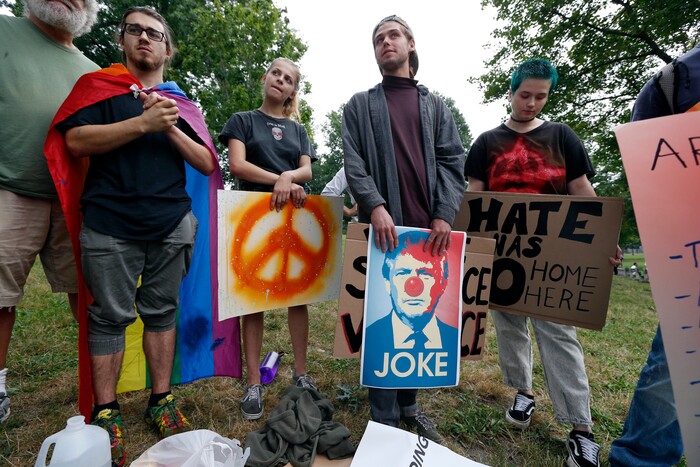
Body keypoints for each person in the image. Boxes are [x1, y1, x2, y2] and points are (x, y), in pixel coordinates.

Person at [48, 6, 219, 466]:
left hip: (171, 223)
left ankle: (160, 400)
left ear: (167, 48)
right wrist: (141, 123)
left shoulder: (178, 102)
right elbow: (76, 142)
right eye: (135, 30)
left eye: (154, 33)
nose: (144, 38)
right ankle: (106, 413)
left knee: (163, 312)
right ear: (122, 40)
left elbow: (206, 162)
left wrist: (165, 126)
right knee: (108, 317)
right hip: (109, 223)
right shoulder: (98, 88)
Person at [465, 58, 622, 467]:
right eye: (524, 95)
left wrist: (607, 239)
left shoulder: (562, 137)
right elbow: (474, 198)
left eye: (541, 96)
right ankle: (523, 392)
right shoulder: (485, 142)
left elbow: (582, 191)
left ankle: (580, 428)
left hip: (553, 256)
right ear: (512, 91)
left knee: (559, 335)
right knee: (510, 326)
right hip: (502, 255)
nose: (532, 103)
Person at [342, 15, 465, 443]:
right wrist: (373, 205)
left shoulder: (435, 106)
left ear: (411, 44)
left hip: (427, 233)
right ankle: (383, 418)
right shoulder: (359, 105)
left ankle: (410, 406)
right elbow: (353, 160)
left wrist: (444, 214)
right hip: (382, 233)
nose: (385, 43)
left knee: (420, 316)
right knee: (383, 317)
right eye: (378, 39)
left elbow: (453, 162)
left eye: (393, 35)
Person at [0, 0, 99, 424]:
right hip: (9, 188)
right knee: (0, 294)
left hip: (74, 200)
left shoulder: (94, 72)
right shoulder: (5, 32)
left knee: (88, 293)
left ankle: (98, 385)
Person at [608, 42, 700, 467]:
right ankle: (642, 460)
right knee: (678, 363)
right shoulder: (676, 79)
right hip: (692, 245)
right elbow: (648, 155)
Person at [218, 57, 318, 421]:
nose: (280, 80)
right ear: (265, 78)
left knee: (299, 295)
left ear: (292, 90)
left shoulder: (299, 130)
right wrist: (283, 179)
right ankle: (252, 383)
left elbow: (307, 170)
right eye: (276, 73)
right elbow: (238, 166)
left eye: (288, 78)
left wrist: (288, 177)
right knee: (252, 300)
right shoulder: (242, 121)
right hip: (251, 215)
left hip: (292, 215)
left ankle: (302, 375)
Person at [363, 230, 458, 388]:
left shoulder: (453, 339)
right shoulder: (370, 336)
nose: (413, 286)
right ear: (387, 282)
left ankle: (409, 406)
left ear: (443, 283)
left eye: (425, 274)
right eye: (402, 273)